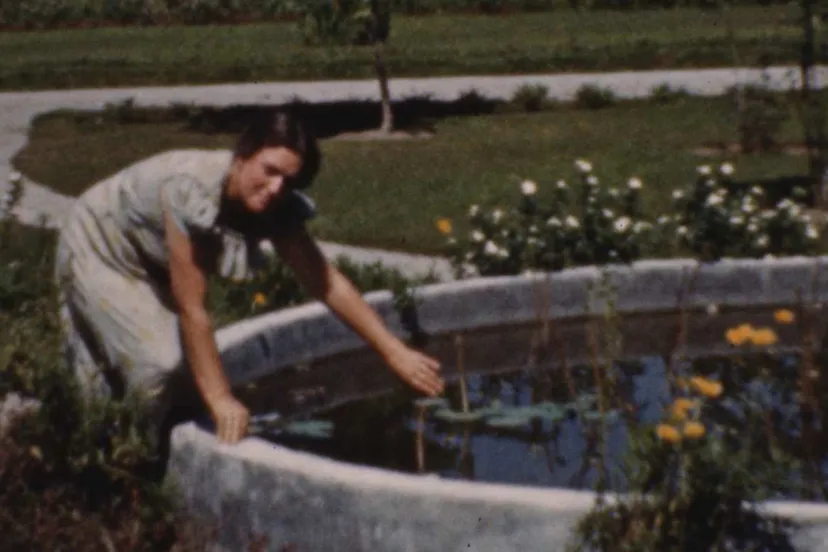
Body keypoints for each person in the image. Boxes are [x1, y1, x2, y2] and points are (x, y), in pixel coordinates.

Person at [54, 109, 445, 445]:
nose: (276, 188)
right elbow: (193, 309)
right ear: (243, 156)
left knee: (177, 383)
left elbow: (325, 282)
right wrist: (222, 398)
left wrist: (394, 351)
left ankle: (121, 447)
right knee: (158, 365)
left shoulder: (277, 204)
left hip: (150, 256)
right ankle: (129, 463)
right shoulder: (191, 189)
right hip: (100, 244)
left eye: (288, 180)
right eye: (269, 170)